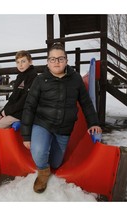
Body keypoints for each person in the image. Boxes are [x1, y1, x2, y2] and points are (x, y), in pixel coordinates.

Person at [21, 43, 102, 193]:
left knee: (56, 163)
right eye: (52, 59)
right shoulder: (40, 80)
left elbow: (86, 102)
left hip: (63, 128)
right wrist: (26, 135)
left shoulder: (75, 79)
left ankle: (50, 152)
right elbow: (29, 106)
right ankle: (43, 172)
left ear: (66, 60)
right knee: (38, 152)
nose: (56, 62)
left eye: (60, 58)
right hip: (42, 123)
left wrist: (93, 122)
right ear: (47, 62)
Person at [0, 50, 37, 128]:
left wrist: (7, 111)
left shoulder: (33, 77)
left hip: (25, 112)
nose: (20, 65)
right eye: (18, 62)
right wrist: (3, 111)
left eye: (23, 61)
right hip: (16, 111)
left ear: (30, 62)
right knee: (1, 123)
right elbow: (14, 97)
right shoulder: (20, 76)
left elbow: (25, 100)